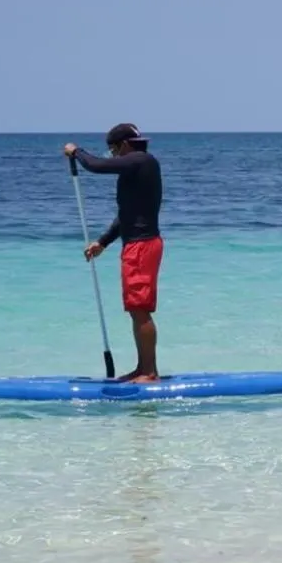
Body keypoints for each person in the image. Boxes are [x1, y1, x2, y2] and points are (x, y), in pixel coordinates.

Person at [63, 123, 164, 383]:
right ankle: (142, 368)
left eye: (113, 149)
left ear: (124, 145)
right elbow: (126, 214)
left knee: (140, 309)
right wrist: (103, 242)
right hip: (135, 245)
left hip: (142, 246)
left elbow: (95, 166)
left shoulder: (140, 161)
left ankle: (150, 372)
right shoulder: (137, 166)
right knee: (135, 309)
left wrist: (77, 152)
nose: (113, 156)